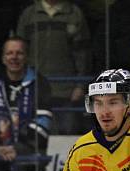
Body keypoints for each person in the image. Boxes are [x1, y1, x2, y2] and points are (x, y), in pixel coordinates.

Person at [0, 36, 53, 171]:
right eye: (9, 53)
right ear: (3, 58)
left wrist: (18, 148)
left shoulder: (40, 83)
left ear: (26, 57)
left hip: (31, 162)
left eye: (19, 53)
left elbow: (43, 121)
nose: (14, 57)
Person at [15, 0, 91, 135]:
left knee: (67, 138)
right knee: (33, 137)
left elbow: (83, 54)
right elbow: (19, 53)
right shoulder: (28, 14)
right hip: (34, 89)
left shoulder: (75, 14)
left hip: (66, 90)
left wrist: (80, 85)